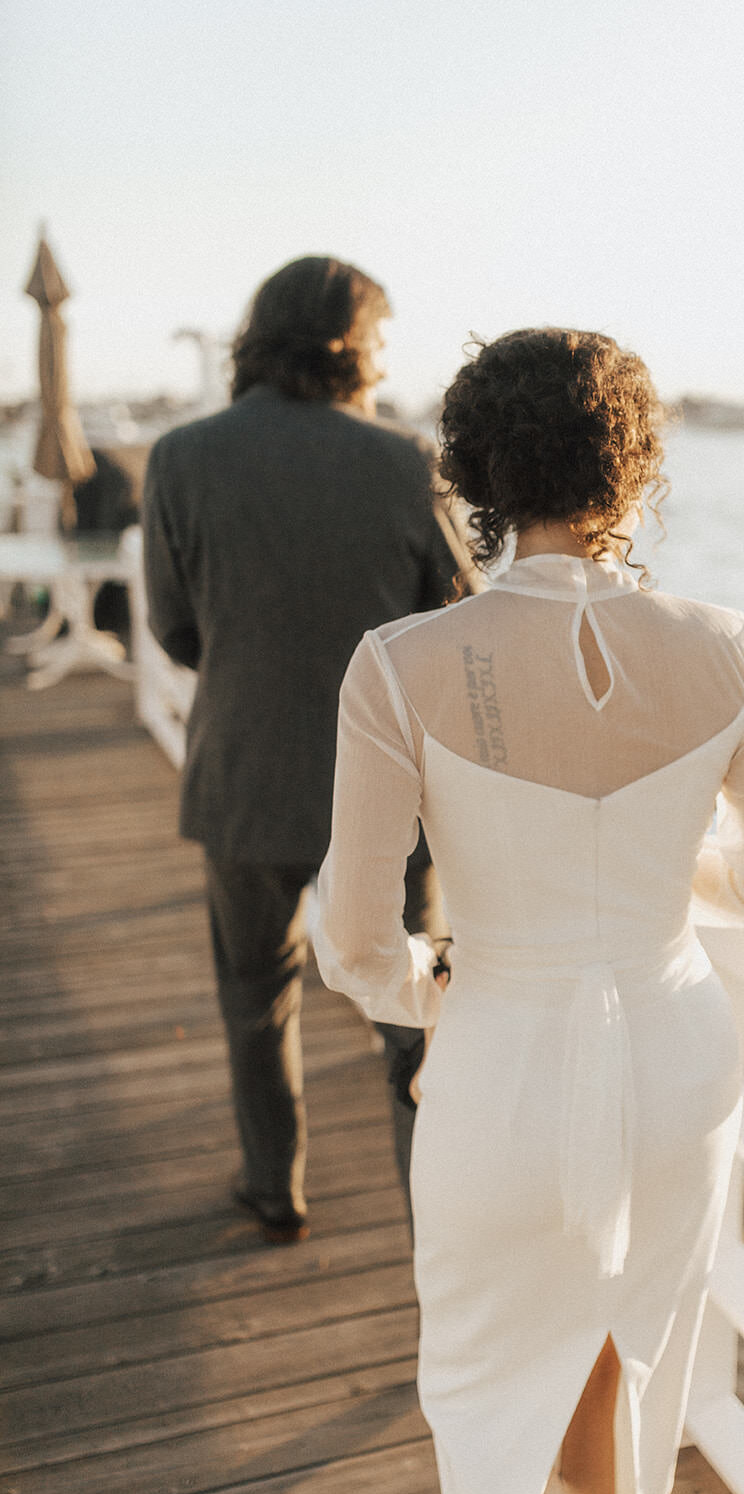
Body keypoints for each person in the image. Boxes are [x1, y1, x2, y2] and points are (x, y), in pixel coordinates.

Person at [313, 327, 744, 1494]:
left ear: (476, 475)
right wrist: (667, 868)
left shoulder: (401, 665)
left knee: (494, 1396)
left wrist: (428, 986)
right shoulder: (736, 646)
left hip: (499, 1059)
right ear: (635, 470)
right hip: (672, 1058)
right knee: (615, 1368)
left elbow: (356, 943)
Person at [142, 255, 466, 1244]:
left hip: (242, 775)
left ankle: (272, 1185)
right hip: (389, 794)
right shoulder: (405, 462)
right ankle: (433, 1222)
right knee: (412, 1014)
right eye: (377, 342)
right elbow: (452, 619)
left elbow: (170, 629)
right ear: (350, 348)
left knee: (255, 993)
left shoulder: (180, 457)